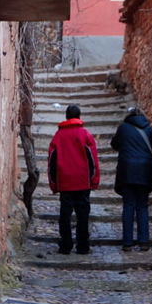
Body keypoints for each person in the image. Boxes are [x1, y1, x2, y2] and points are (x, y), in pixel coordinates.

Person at [48, 104, 100, 254]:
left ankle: (65, 245)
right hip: (83, 182)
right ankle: (83, 246)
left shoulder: (58, 136)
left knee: (65, 216)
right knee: (83, 216)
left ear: (66, 117)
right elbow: (93, 160)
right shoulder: (85, 135)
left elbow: (51, 161)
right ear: (79, 116)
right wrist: (94, 180)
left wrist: (53, 184)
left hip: (65, 182)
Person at [111, 107, 152, 252]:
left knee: (128, 205)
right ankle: (143, 241)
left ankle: (127, 242)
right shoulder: (149, 129)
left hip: (127, 171)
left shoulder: (123, 128)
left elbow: (114, 145)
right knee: (142, 206)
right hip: (145, 170)